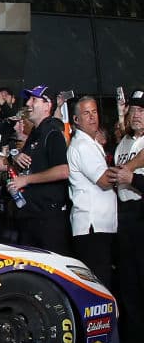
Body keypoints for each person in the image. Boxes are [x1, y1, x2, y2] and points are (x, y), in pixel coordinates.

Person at [7, 84, 71, 254]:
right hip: (30, 215)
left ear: (47, 105)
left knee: (50, 272)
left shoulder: (53, 133)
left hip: (47, 219)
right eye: (29, 99)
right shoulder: (35, 134)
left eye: (34, 99)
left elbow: (63, 170)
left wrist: (26, 180)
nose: (28, 103)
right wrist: (16, 158)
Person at [67, 96, 117, 290]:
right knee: (99, 285)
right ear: (76, 120)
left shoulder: (91, 142)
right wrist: (130, 167)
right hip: (92, 227)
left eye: (94, 112)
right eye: (86, 113)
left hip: (100, 225)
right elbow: (104, 181)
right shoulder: (82, 145)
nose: (92, 117)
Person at [112, 90, 144, 343]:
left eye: (143, 111)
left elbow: (129, 178)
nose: (137, 115)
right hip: (123, 215)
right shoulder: (123, 143)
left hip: (141, 212)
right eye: (134, 109)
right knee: (128, 282)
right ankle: (135, 341)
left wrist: (132, 179)